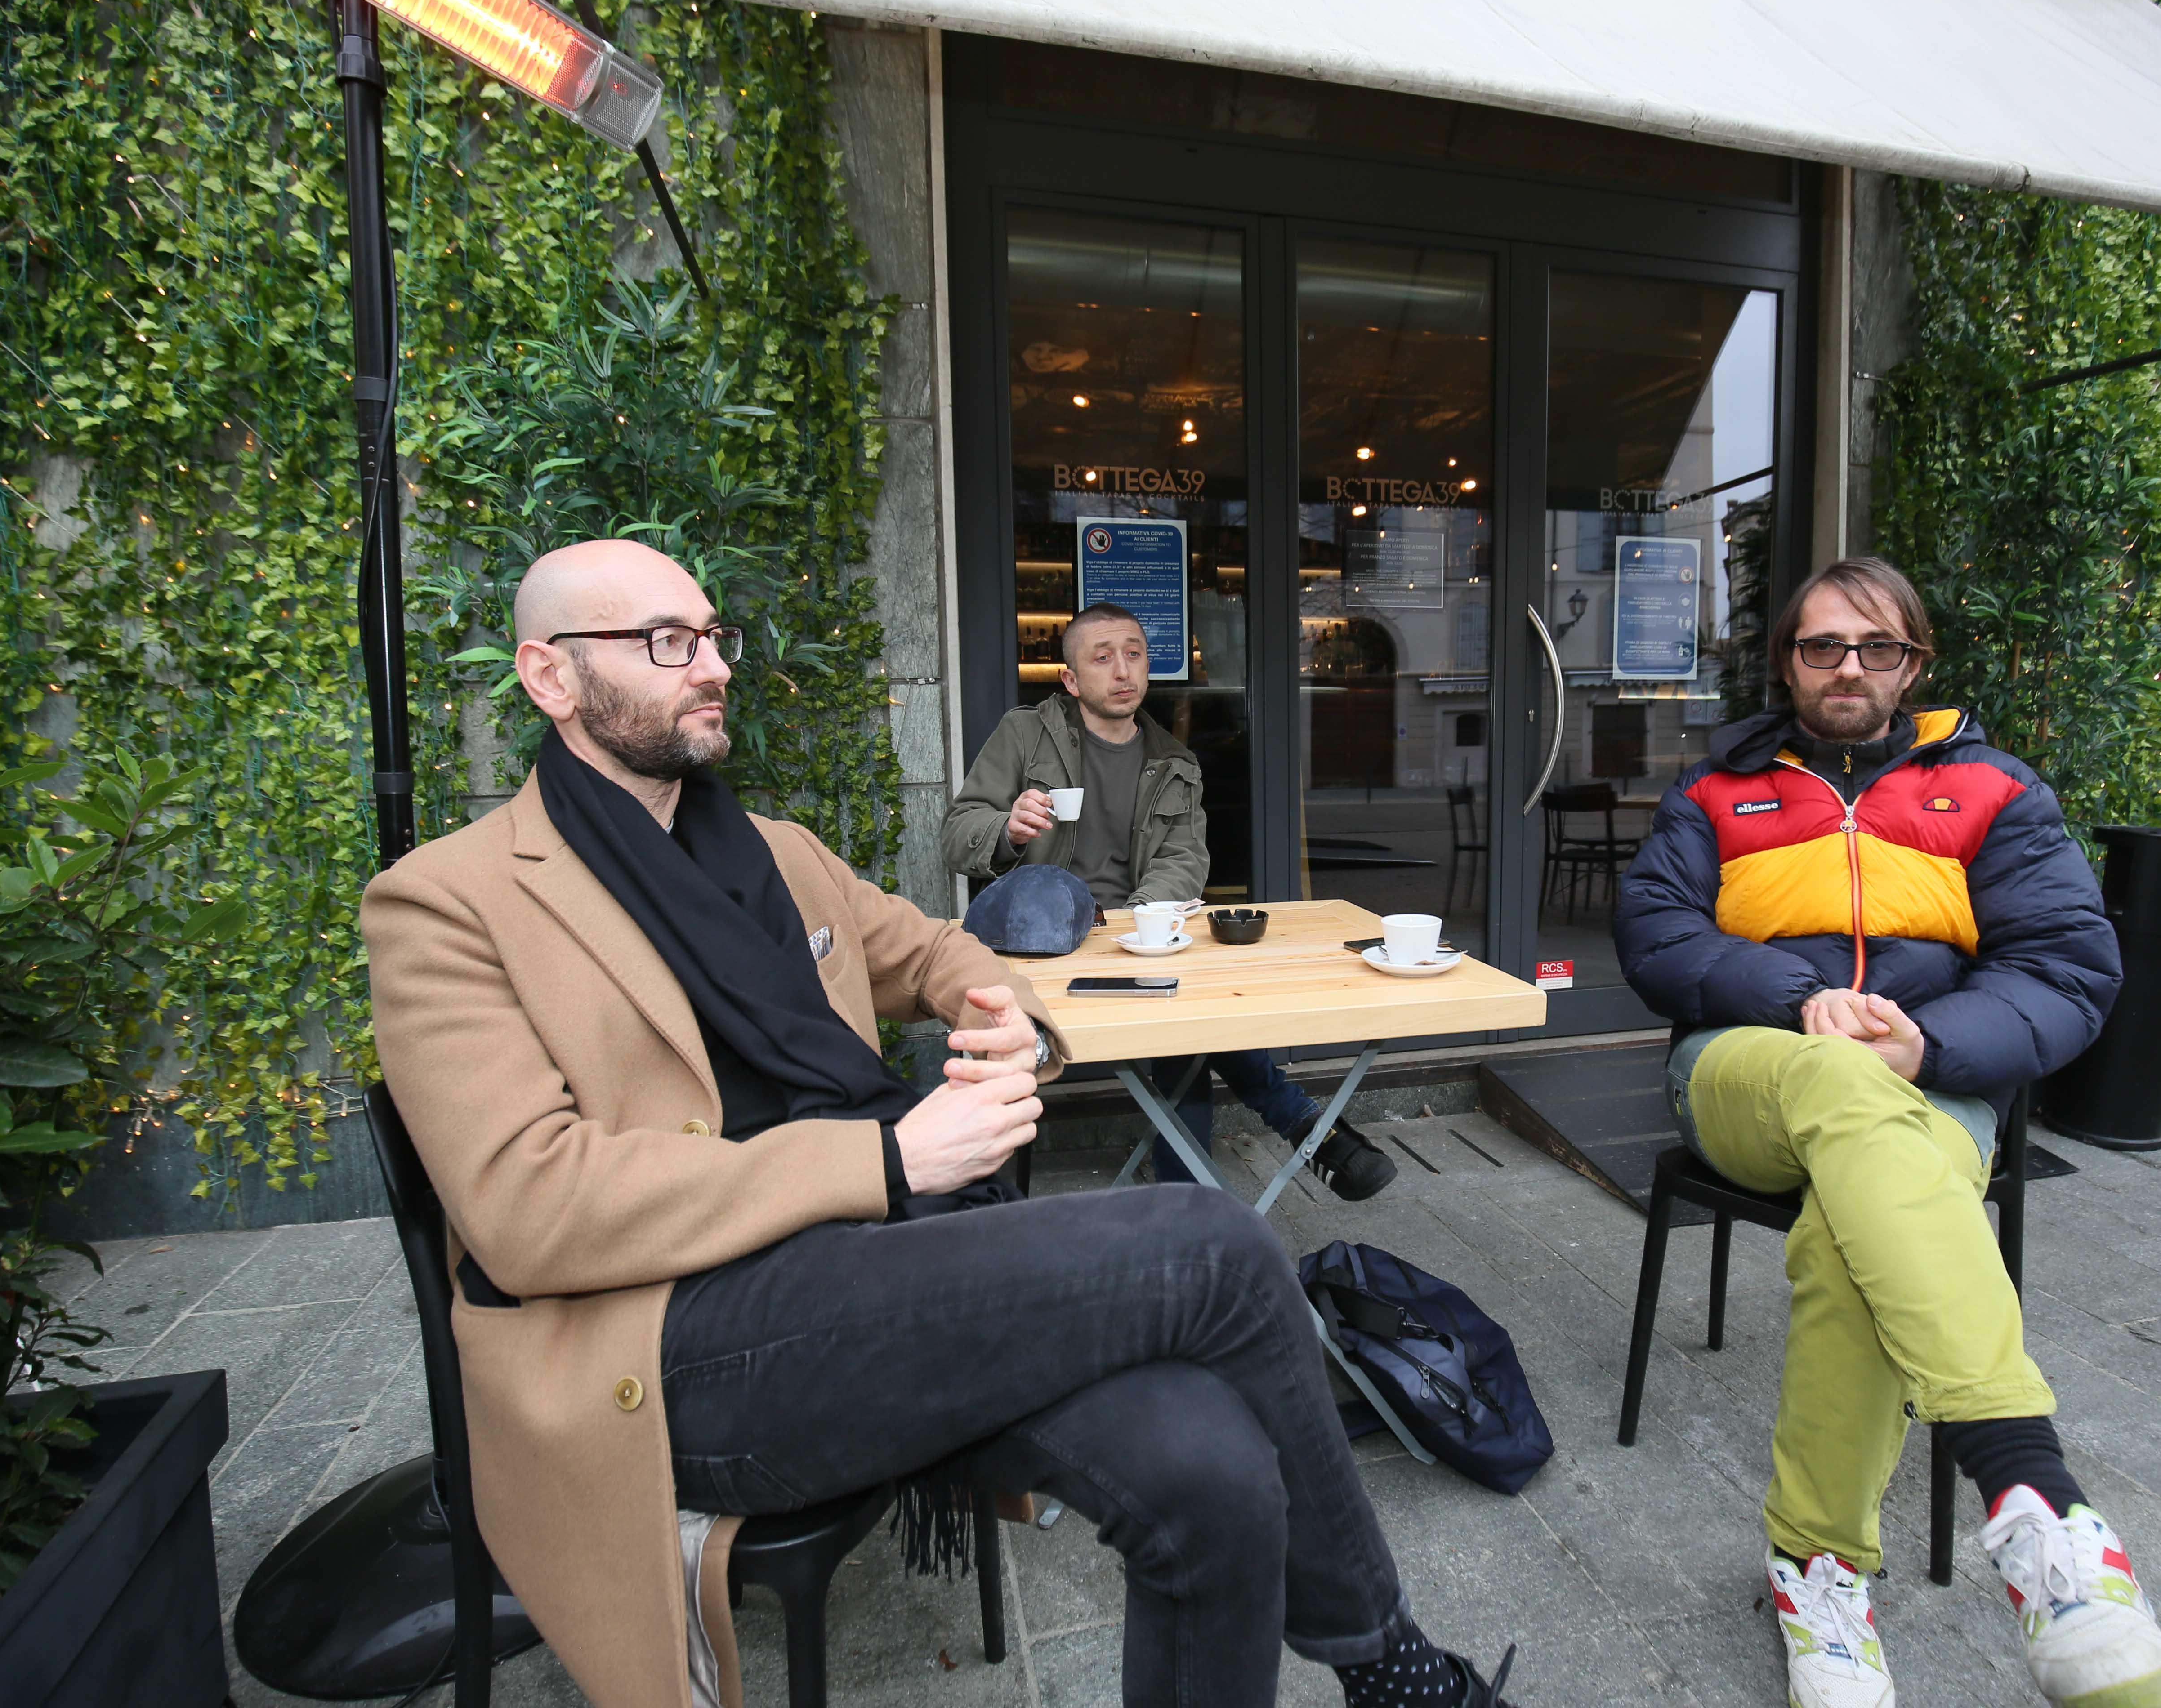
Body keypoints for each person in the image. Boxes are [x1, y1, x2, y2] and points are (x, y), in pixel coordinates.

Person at [363, 541, 1516, 1708]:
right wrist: (883, 1156)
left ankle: (1381, 1663)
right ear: (550, 679)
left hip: (864, 1280)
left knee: (1212, 1473)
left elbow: (939, 953)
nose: (709, 666)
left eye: (715, 638)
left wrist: (1002, 1013)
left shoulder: (777, 857)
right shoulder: (448, 904)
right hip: (674, 1351)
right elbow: (527, 1211)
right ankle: (1395, 1670)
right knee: (1216, 1246)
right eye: (666, 642)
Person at [1612, 557, 2161, 1708]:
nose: (1848, 668)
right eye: (1822, 646)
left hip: (1938, 1082)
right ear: (1786, 662)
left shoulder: (1994, 790)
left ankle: (1817, 1573)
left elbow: (2069, 970)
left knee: (1850, 1227)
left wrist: (1927, 1048)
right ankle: (2033, 1495)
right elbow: (1656, 936)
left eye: (1876, 647)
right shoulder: (1719, 792)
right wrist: (1796, 1001)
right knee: (1839, 1094)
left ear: (1914, 664)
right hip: (1749, 1069)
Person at [944, 601, 1398, 1199]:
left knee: (1188, 1023)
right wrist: (1007, 829)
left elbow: (1185, 860)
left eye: (1134, 653)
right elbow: (957, 835)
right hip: (1042, 949)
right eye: (1102, 658)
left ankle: (1198, 1192)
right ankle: (1295, 1131)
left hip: (1130, 944)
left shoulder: (1175, 761)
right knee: (1189, 1024)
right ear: (1071, 680)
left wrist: (1139, 925)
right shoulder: (1026, 734)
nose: (1123, 669)